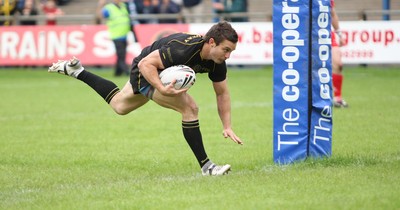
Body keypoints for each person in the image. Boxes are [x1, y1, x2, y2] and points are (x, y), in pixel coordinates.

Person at [48, 21, 243, 176]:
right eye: (226, 50)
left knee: (119, 106)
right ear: (211, 43)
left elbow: (222, 93)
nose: (228, 55)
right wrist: (161, 88)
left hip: (159, 73)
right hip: (145, 68)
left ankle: (78, 71)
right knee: (190, 108)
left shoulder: (218, 61)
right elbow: (145, 64)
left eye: (231, 51)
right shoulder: (183, 50)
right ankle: (207, 167)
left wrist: (227, 126)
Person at [101, 0, 131, 76]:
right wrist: (100, 5)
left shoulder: (124, 6)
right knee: (121, 54)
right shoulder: (108, 8)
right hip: (116, 35)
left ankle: (117, 72)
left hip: (124, 34)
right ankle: (127, 71)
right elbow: (100, 17)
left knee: (121, 54)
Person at [331, 0, 348, 108]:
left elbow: (332, 14)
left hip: (326, 34)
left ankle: (337, 98)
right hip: (309, 34)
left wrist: (339, 34)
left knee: (338, 64)